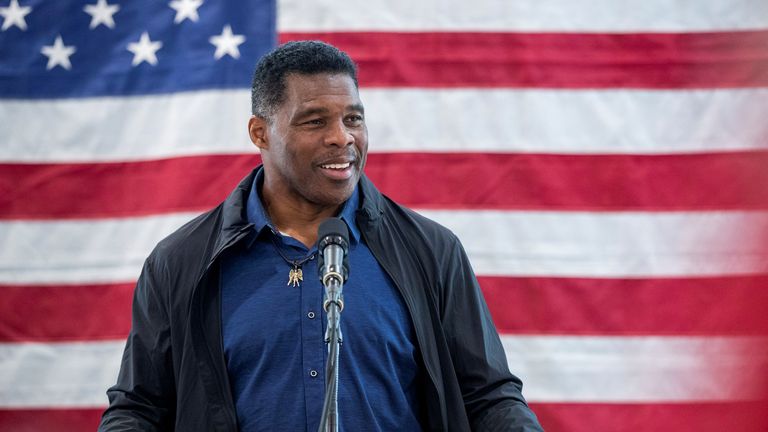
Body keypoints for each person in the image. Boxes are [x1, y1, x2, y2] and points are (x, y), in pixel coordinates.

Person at [99, 40, 543, 432]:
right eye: (314, 122)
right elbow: (140, 408)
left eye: (353, 118)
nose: (342, 138)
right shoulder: (181, 261)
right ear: (260, 132)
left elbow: (487, 396)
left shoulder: (431, 251)